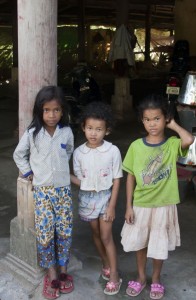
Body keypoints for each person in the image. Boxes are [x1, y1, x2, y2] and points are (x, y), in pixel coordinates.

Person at [121, 94, 194, 299]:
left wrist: (174, 125)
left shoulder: (172, 144)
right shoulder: (136, 146)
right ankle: (141, 276)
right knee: (141, 243)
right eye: (147, 119)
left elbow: (189, 139)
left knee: (159, 244)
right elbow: (130, 177)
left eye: (157, 119)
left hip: (164, 204)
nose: (152, 124)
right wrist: (128, 206)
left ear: (166, 119)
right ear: (141, 121)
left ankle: (155, 279)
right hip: (141, 204)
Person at [13, 86, 74, 300]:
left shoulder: (66, 132)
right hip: (43, 193)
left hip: (63, 192)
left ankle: (64, 271)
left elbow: (68, 152)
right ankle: (52, 274)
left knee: (64, 230)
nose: (51, 115)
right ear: (39, 111)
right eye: (46, 110)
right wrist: (29, 172)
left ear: (62, 111)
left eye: (56, 110)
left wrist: (62, 173)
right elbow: (19, 155)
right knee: (46, 233)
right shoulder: (32, 134)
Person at [71, 101, 123, 295]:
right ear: (83, 127)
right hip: (86, 199)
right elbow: (80, 178)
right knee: (95, 234)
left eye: (99, 129)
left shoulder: (112, 151)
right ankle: (105, 263)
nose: (93, 133)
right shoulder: (78, 153)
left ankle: (114, 274)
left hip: (105, 198)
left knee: (106, 236)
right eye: (90, 128)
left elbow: (117, 179)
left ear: (106, 130)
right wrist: (66, 177)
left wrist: (111, 206)